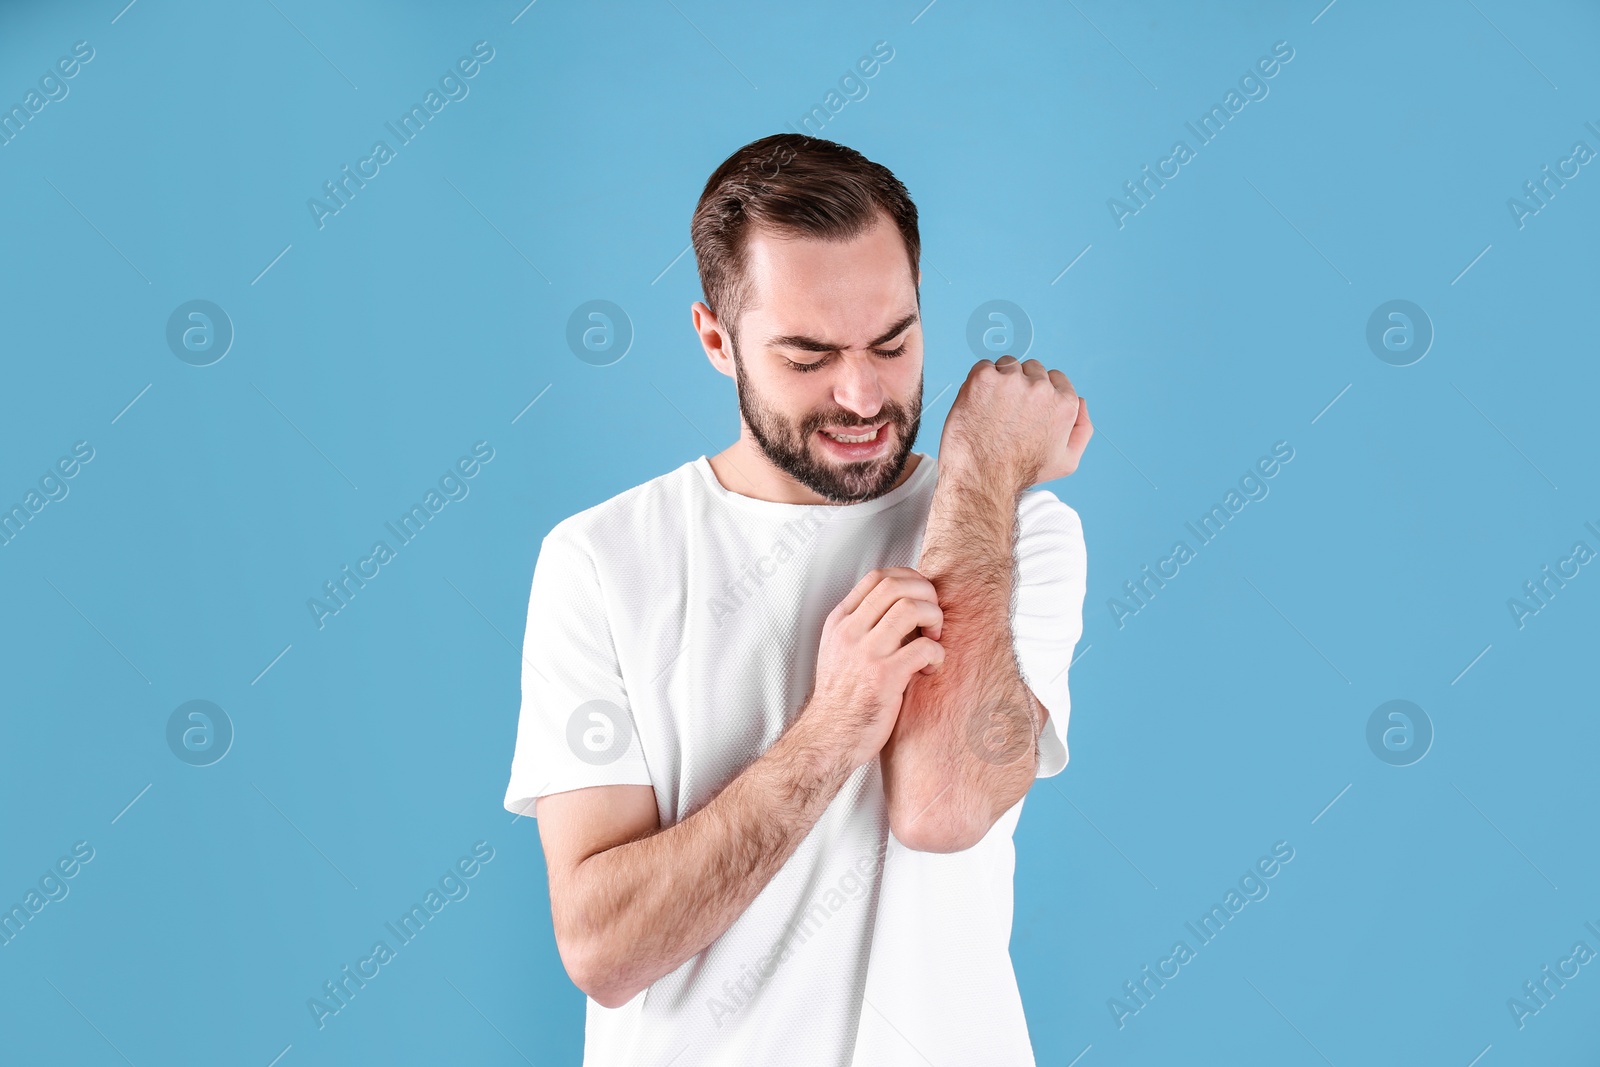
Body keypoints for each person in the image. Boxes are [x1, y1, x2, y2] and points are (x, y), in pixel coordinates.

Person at [503, 133, 1093, 1065]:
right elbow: (604, 947)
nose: (862, 395)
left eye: (893, 343)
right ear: (714, 340)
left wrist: (980, 462)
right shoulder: (600, 561)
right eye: (809, 355)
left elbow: (943, 806)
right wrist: (839, 722)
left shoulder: (1017, 530)